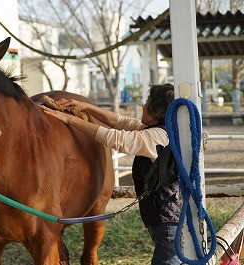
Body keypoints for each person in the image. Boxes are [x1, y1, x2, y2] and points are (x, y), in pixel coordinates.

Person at [40, 83, 181, 265]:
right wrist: (86, 107)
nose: (143, 105)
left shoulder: (157, 137)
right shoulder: (161, 131)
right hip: (166, 217)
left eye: (148, 102)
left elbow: (116, 138)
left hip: (167, 220)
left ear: (157, 112)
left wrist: (70, 120)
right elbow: (121, 122)